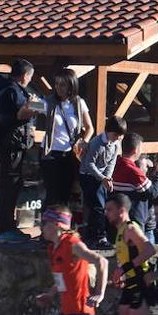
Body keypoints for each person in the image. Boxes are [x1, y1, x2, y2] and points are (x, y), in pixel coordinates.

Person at [0, 59, 40, 241]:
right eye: (30, 77)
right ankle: (5, 229)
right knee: (9, 186)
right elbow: (16, 116)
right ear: (25, 75)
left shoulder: (11, 90)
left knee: (13, 184)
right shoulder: (11, 92)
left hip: (14, 144)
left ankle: (8, 227)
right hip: (10, 145)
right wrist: (31, 107)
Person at [40, 68, 94, 210]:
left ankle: (61, 228)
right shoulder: (49, 102)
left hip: (70, 154)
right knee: (52, 195)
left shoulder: (78, 103)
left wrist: (83, 142)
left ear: (71, 85)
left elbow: (90, 127)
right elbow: (29, 107)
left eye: (63, 84)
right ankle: (47, 228)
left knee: (65, 194)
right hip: (51, 153)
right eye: (57, 84)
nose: (59, 88)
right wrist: (29, 104)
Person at [78, 117, 126, 246]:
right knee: (97, 206)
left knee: (102, 205)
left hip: (101, 177)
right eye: (115, 135)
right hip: (88, 176)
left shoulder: (115, 144)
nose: (117, 138)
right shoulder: (97, 143)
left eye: (120, 136)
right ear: (108, 131)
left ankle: (96, 234)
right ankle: (98, 236)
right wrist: (102, 178)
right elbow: (89, 164)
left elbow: (112, 161)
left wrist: (108, 177)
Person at [111, 132, 154, 233]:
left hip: (114, 221)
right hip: (132, 223)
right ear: (136, 150)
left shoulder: (114, 165)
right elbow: (152, 192)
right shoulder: (133, 171)